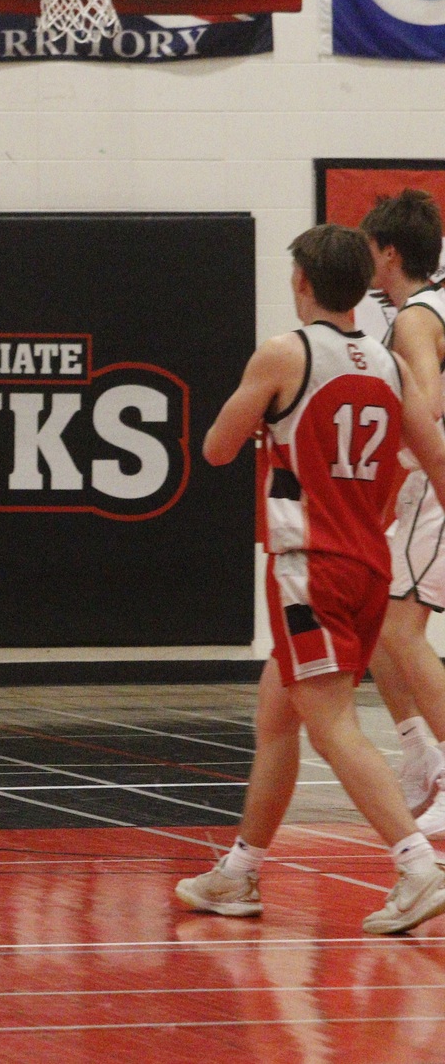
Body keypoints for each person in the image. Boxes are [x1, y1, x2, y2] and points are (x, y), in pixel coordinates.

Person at [174, 224, 445, 935]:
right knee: (276, 717)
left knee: (330, 727)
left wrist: (267, 420)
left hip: (309, 567)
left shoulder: (284, 353)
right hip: (370, 564)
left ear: (301, 281)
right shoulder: (391, 365)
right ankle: (239, 872)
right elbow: (438, 458)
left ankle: (417, 864)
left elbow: (216, 447)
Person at [358, 190, 445, 831]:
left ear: (389, 252)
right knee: (374, 619)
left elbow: (428, 406)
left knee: (399, 630)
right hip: (422, 488)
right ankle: (419, 752)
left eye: (368, 249)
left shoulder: (415, 318)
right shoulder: (428, 308)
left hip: (436, 484)